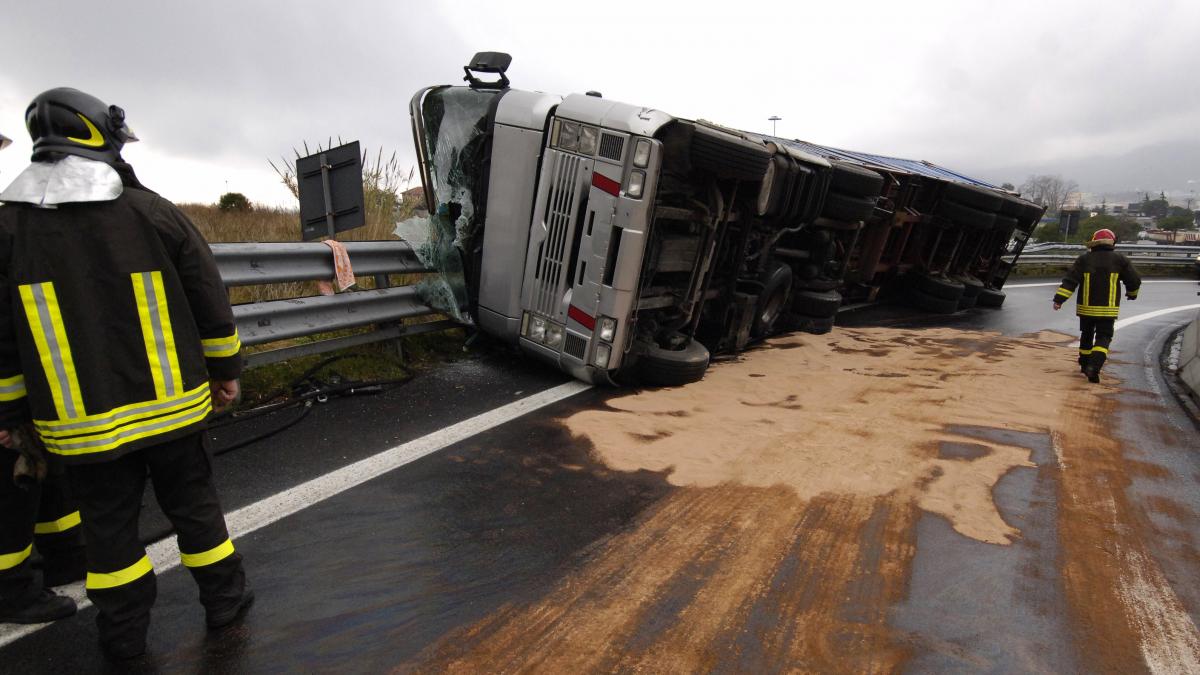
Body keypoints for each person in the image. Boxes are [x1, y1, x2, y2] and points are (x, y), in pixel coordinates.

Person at [0, 88, 252, 660]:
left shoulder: (9, 230)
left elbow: (3, 343)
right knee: (193, 508)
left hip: (80, 427)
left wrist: (13, 417)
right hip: (173, 410)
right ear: (99, 137)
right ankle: (226, 602)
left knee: (108, 534)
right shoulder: (150, 211)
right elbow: (209, 299)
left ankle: (122, 637)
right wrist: (226, 371)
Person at [0, 129, 85, 625]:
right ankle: (11, 590)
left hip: (24, 383)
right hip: (8, 390)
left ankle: (66, 555)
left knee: (45, 470)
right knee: (13, 483)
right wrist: (9, 410)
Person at [1052, 228, 1141, 383]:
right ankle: (1094, 366)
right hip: (1108, 310)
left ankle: (1085, 364)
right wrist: (1132, 294)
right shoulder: (1120, 260)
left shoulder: (1084, 259)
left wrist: (1059, 300)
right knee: (1103, 337)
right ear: (1113, 242)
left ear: (1093, 242)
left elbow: (1070, 281)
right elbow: (1134, 280)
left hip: (1086, 309)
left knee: (1086, 335)